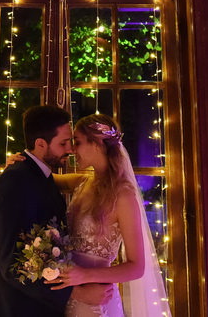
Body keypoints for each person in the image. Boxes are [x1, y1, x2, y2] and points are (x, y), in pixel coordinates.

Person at [0, 105, 112, 316]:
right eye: (63, 143)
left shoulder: (42, 176)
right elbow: (13, 265)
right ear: (40, 144)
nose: (70, 149)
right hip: (15, 309)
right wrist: (75, 294)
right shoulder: (16, 182)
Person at [48, 114, 169, 317]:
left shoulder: (123, 196)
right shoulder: (82, 182)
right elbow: (45, 177)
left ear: (97, 144)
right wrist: (20, 163)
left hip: (97, 301)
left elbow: (137, 267)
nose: (71, 150)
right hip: (72, 293)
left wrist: (84, 275)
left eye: (77, 142)